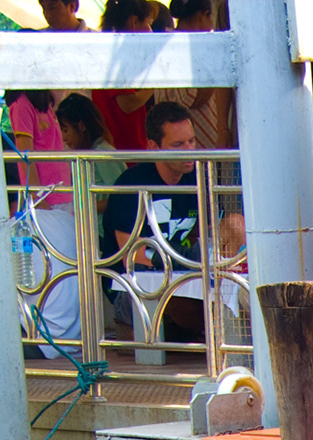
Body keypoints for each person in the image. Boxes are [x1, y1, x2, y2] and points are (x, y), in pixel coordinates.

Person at [104, 103, 244, 343]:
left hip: (186, 274)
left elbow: (207, 232)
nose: (188, 151)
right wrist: (188, 259)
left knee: (235, 223)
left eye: (191, 141)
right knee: (184, 301)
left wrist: (217, 249)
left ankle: (229, 334)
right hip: (135, 286)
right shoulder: (130, 183)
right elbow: (133, 255)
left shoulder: (199, 176)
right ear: (153, 147)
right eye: (178, 145)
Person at [153, 0, 231, 150]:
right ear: (204, 15)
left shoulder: (172, 43)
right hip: (188, 144)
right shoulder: (179, 46)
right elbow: (191, 98)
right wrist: (217, 70)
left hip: (184, 141)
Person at [95, 0, 157, 151]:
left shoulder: (108, 51)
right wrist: (157, 81)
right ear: (134, 22)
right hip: (125, 149)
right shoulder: (117, 55)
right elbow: (128, 104)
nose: (151, 31)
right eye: (148, 23)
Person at [6, 90, 72, 208]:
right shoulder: (21, 105)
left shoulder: (44, 103)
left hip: (61, 191)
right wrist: (37, 196)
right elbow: (25, 154)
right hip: (46, 197)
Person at [56, 93, 125, 185]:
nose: (64, 138)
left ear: (82, 126)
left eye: (66, 130)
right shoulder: (89, 154)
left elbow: (117, 191)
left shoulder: (102, 155)